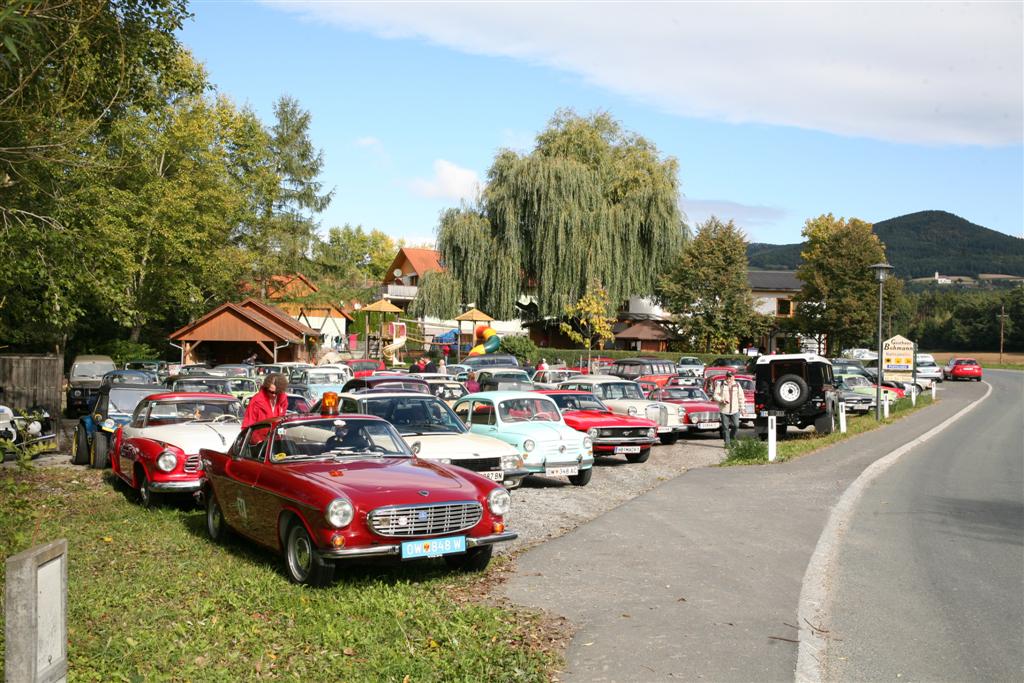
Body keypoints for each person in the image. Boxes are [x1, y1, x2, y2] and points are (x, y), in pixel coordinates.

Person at [713, 371, 745, 446]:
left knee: (736, 426)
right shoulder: (720, 384)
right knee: (725, 428)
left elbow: (741, 397)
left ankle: (732, 439)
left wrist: (742, 408)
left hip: (735, 410)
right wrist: (722, 400)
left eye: (730, 376)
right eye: (727, 376)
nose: (728, 378)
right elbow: (715, 396)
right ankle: (727, 443)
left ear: (734, 377)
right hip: (724, 410)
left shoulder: (737, 385)